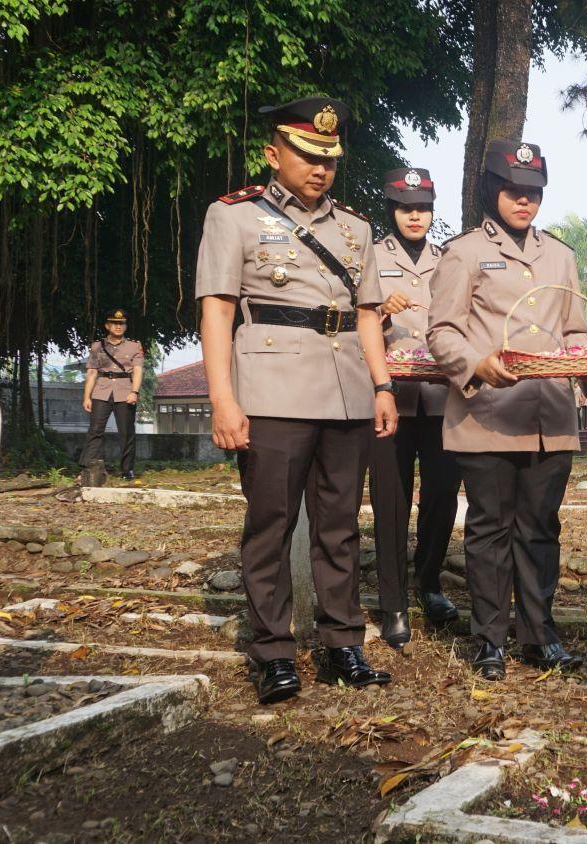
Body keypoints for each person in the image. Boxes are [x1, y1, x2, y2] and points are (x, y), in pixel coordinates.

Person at [196, 96, 394, 704]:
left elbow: (367, 315)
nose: (320, 169)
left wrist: (382, 385)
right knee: (270, 526)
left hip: (346, 391)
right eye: (308, 156)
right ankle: (274, 652)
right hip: (272, 391)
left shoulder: (357, 229)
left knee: (339, 527)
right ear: (272, 154)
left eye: (329, 159)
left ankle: (342, 645)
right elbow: (217, 311)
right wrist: (223, 399)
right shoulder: (233, 216)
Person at [427, 138, 587, 681]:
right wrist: (475, 364)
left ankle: (540, 636)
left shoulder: (561, 255)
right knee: (490, 530)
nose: (524, 201)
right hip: (488, 415)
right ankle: (489, 640)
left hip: (550, 416)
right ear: (491, 191)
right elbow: (442, 331)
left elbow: (575, 329)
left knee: (541, 529)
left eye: (533, 192)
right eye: (513, 190)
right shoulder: (462, 253)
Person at [367, 166, 463, 649]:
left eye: (423, 208)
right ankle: (394, 603)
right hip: (390, 400)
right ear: (392, 210)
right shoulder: (369, 256)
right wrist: (382, 310)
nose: (415, 216)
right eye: (406, 208)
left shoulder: (449, 260)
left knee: (442, 495)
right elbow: (354, 320)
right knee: (391, 500)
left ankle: (429, 583)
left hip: (442, 398)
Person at [80, 310, 144, 480]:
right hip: (101, 391)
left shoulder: (134, 346)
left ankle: (127, 470)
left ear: (125, 326)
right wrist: (87, 397)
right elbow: (92, 373)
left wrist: (134, 391)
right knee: (95, 430)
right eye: (114, 323)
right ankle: (88, 467)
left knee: (127, 432)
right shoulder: (97, 346)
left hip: (125, 392)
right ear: (107, 326)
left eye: (121, 323)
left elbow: (138, 370)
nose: (118, 326)